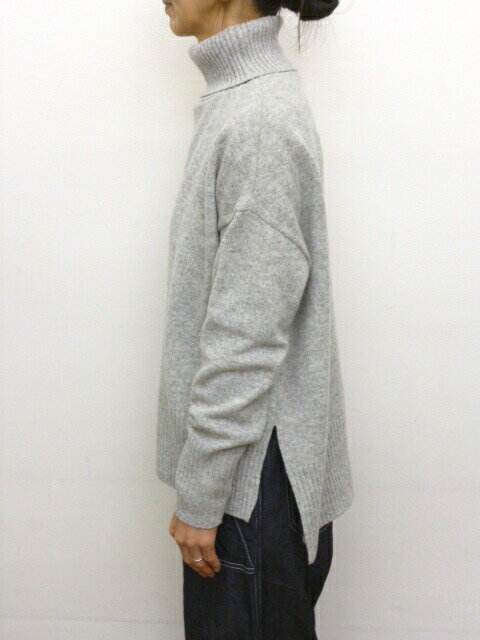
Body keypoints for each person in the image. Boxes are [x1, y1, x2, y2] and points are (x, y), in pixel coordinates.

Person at [156, 0, 354, 637]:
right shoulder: (239, 102)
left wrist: (202, 494)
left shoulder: (258, 117)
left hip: (251, 487)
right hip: (252, 476)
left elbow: (246, 336)